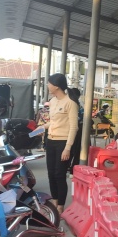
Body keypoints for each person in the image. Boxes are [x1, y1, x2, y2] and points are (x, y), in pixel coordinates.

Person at [45, 73, 78, 215]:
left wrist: (67, 148)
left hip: (63, 143)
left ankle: (60, 206)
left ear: (56, 86)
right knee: (51, 173)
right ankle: (54, 202)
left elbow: (74, 127)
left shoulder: (70, 103)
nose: (47, 85)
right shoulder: (52, 101)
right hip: (50, 141)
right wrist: (41, 128)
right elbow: (53, 122)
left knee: (59, 174)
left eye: (49, 83)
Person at [67, 88, 83, 172]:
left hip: (73, 130)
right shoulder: (78, 104)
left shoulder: (72, 104)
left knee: (72, 149)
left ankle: (69, 167)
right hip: (78, 129)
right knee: (76, 150)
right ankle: (73, 168)